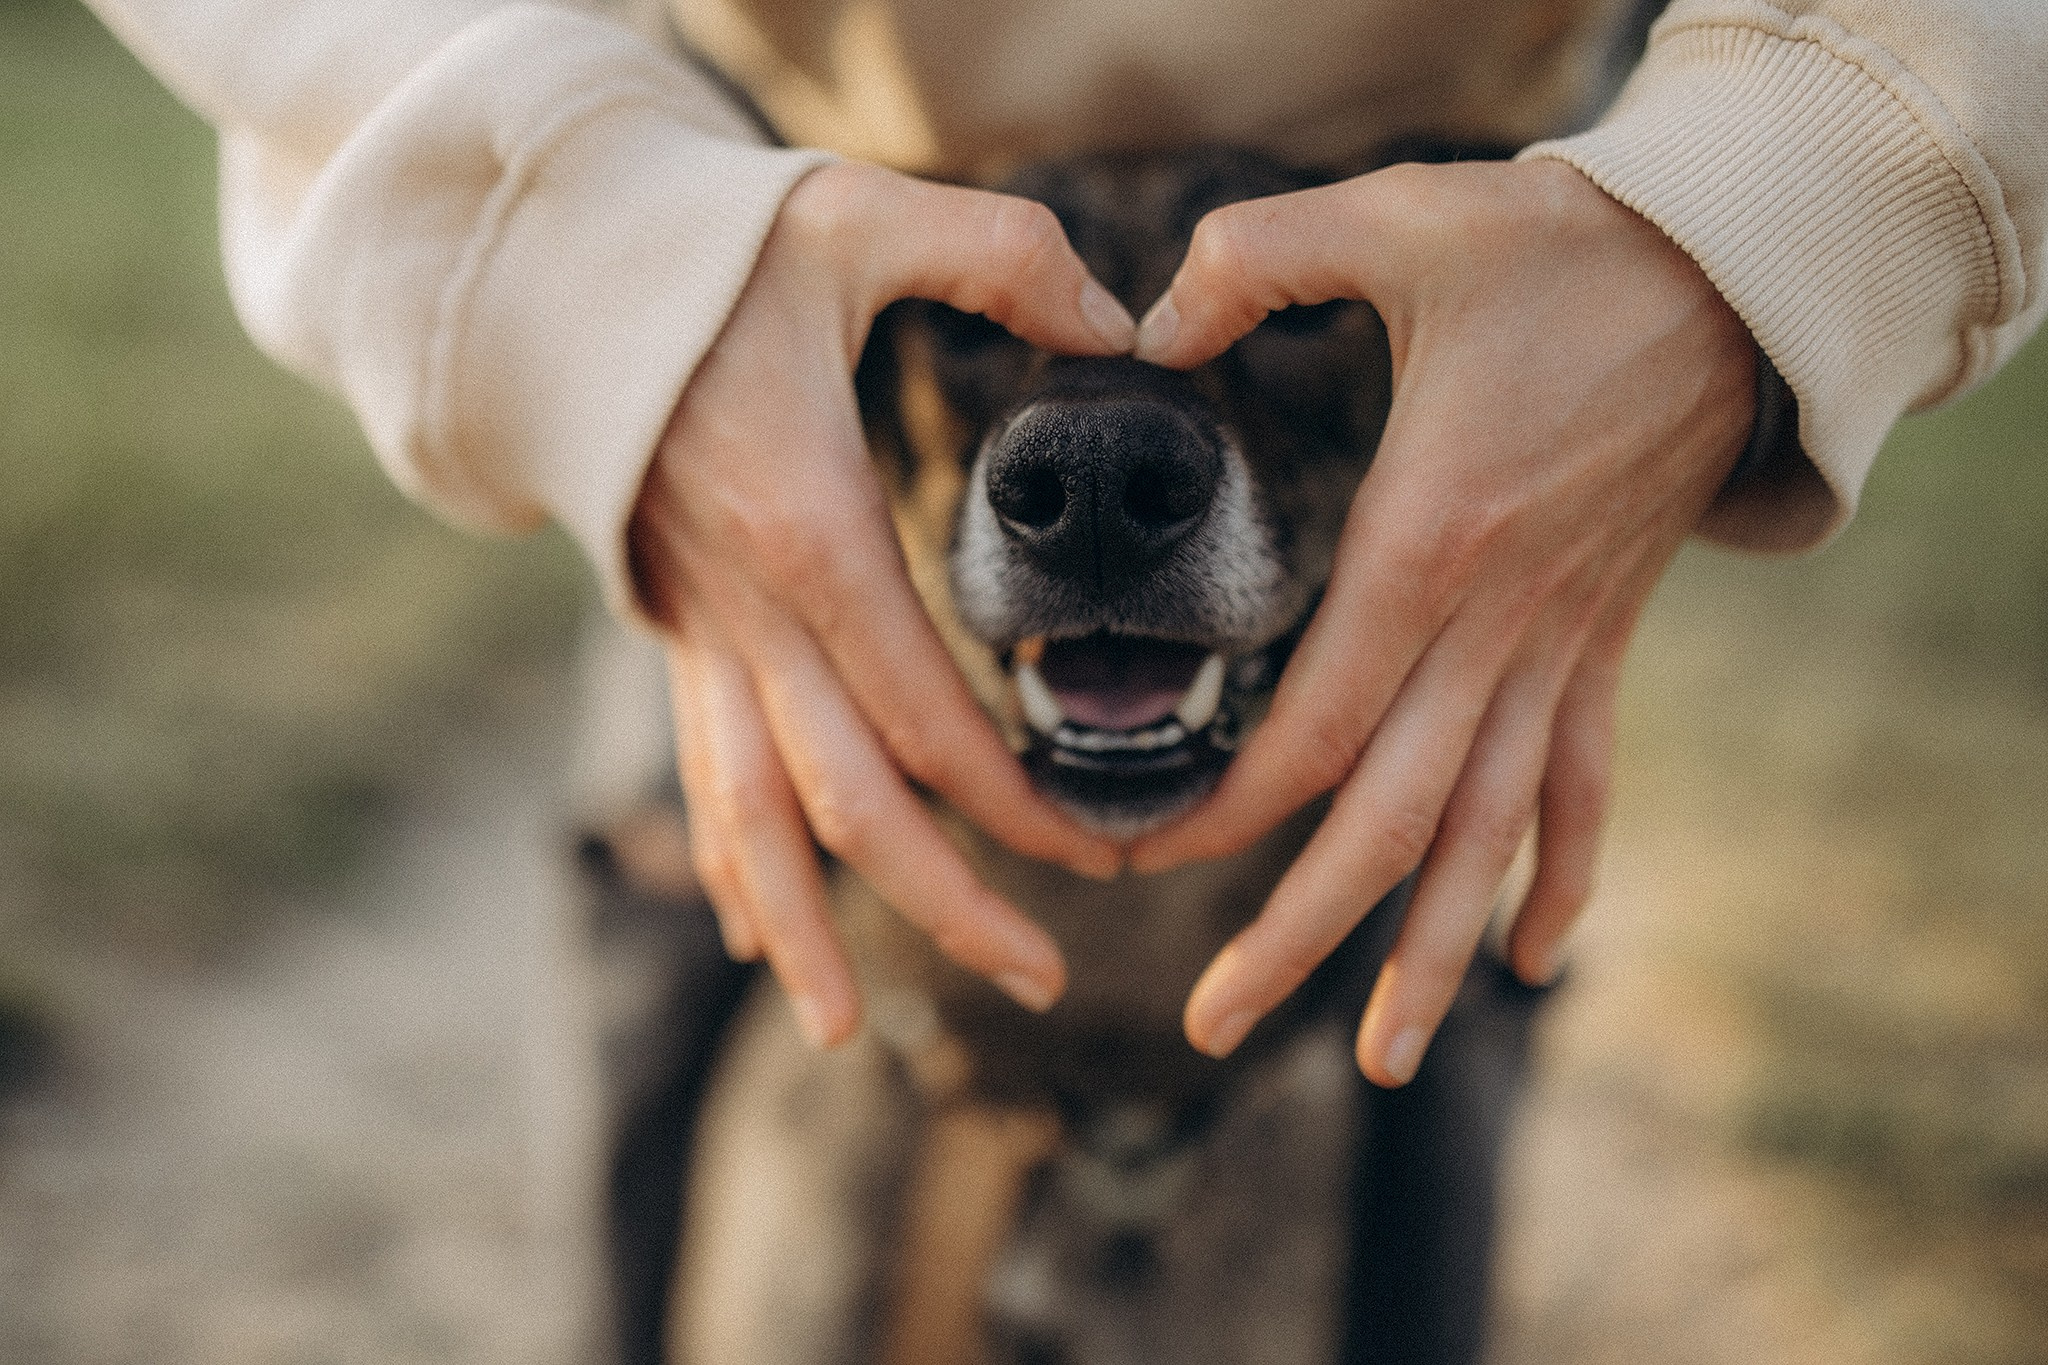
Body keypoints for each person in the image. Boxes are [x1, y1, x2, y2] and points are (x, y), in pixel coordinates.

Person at [84, 0, 2047, 1093]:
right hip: (774, 211)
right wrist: (587, 230)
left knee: (1449, 934)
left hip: (1482, 223)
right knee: (683, 907)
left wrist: (1769, 193)